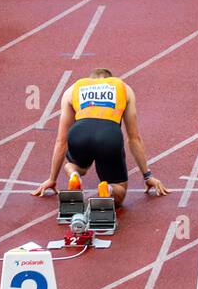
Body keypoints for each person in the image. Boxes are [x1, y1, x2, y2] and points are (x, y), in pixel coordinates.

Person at [31, 68, 169, 206]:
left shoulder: (72, 90)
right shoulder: (124, 88)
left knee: (73, 165)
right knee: (120, 189)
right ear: (109, 79)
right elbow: (134, 138)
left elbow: (61, 141)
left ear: (91, 79)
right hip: (109, 135)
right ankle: (108, 189)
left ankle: (74, 175)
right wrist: (147, 176)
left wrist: (52, 179)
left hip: (80, 133)